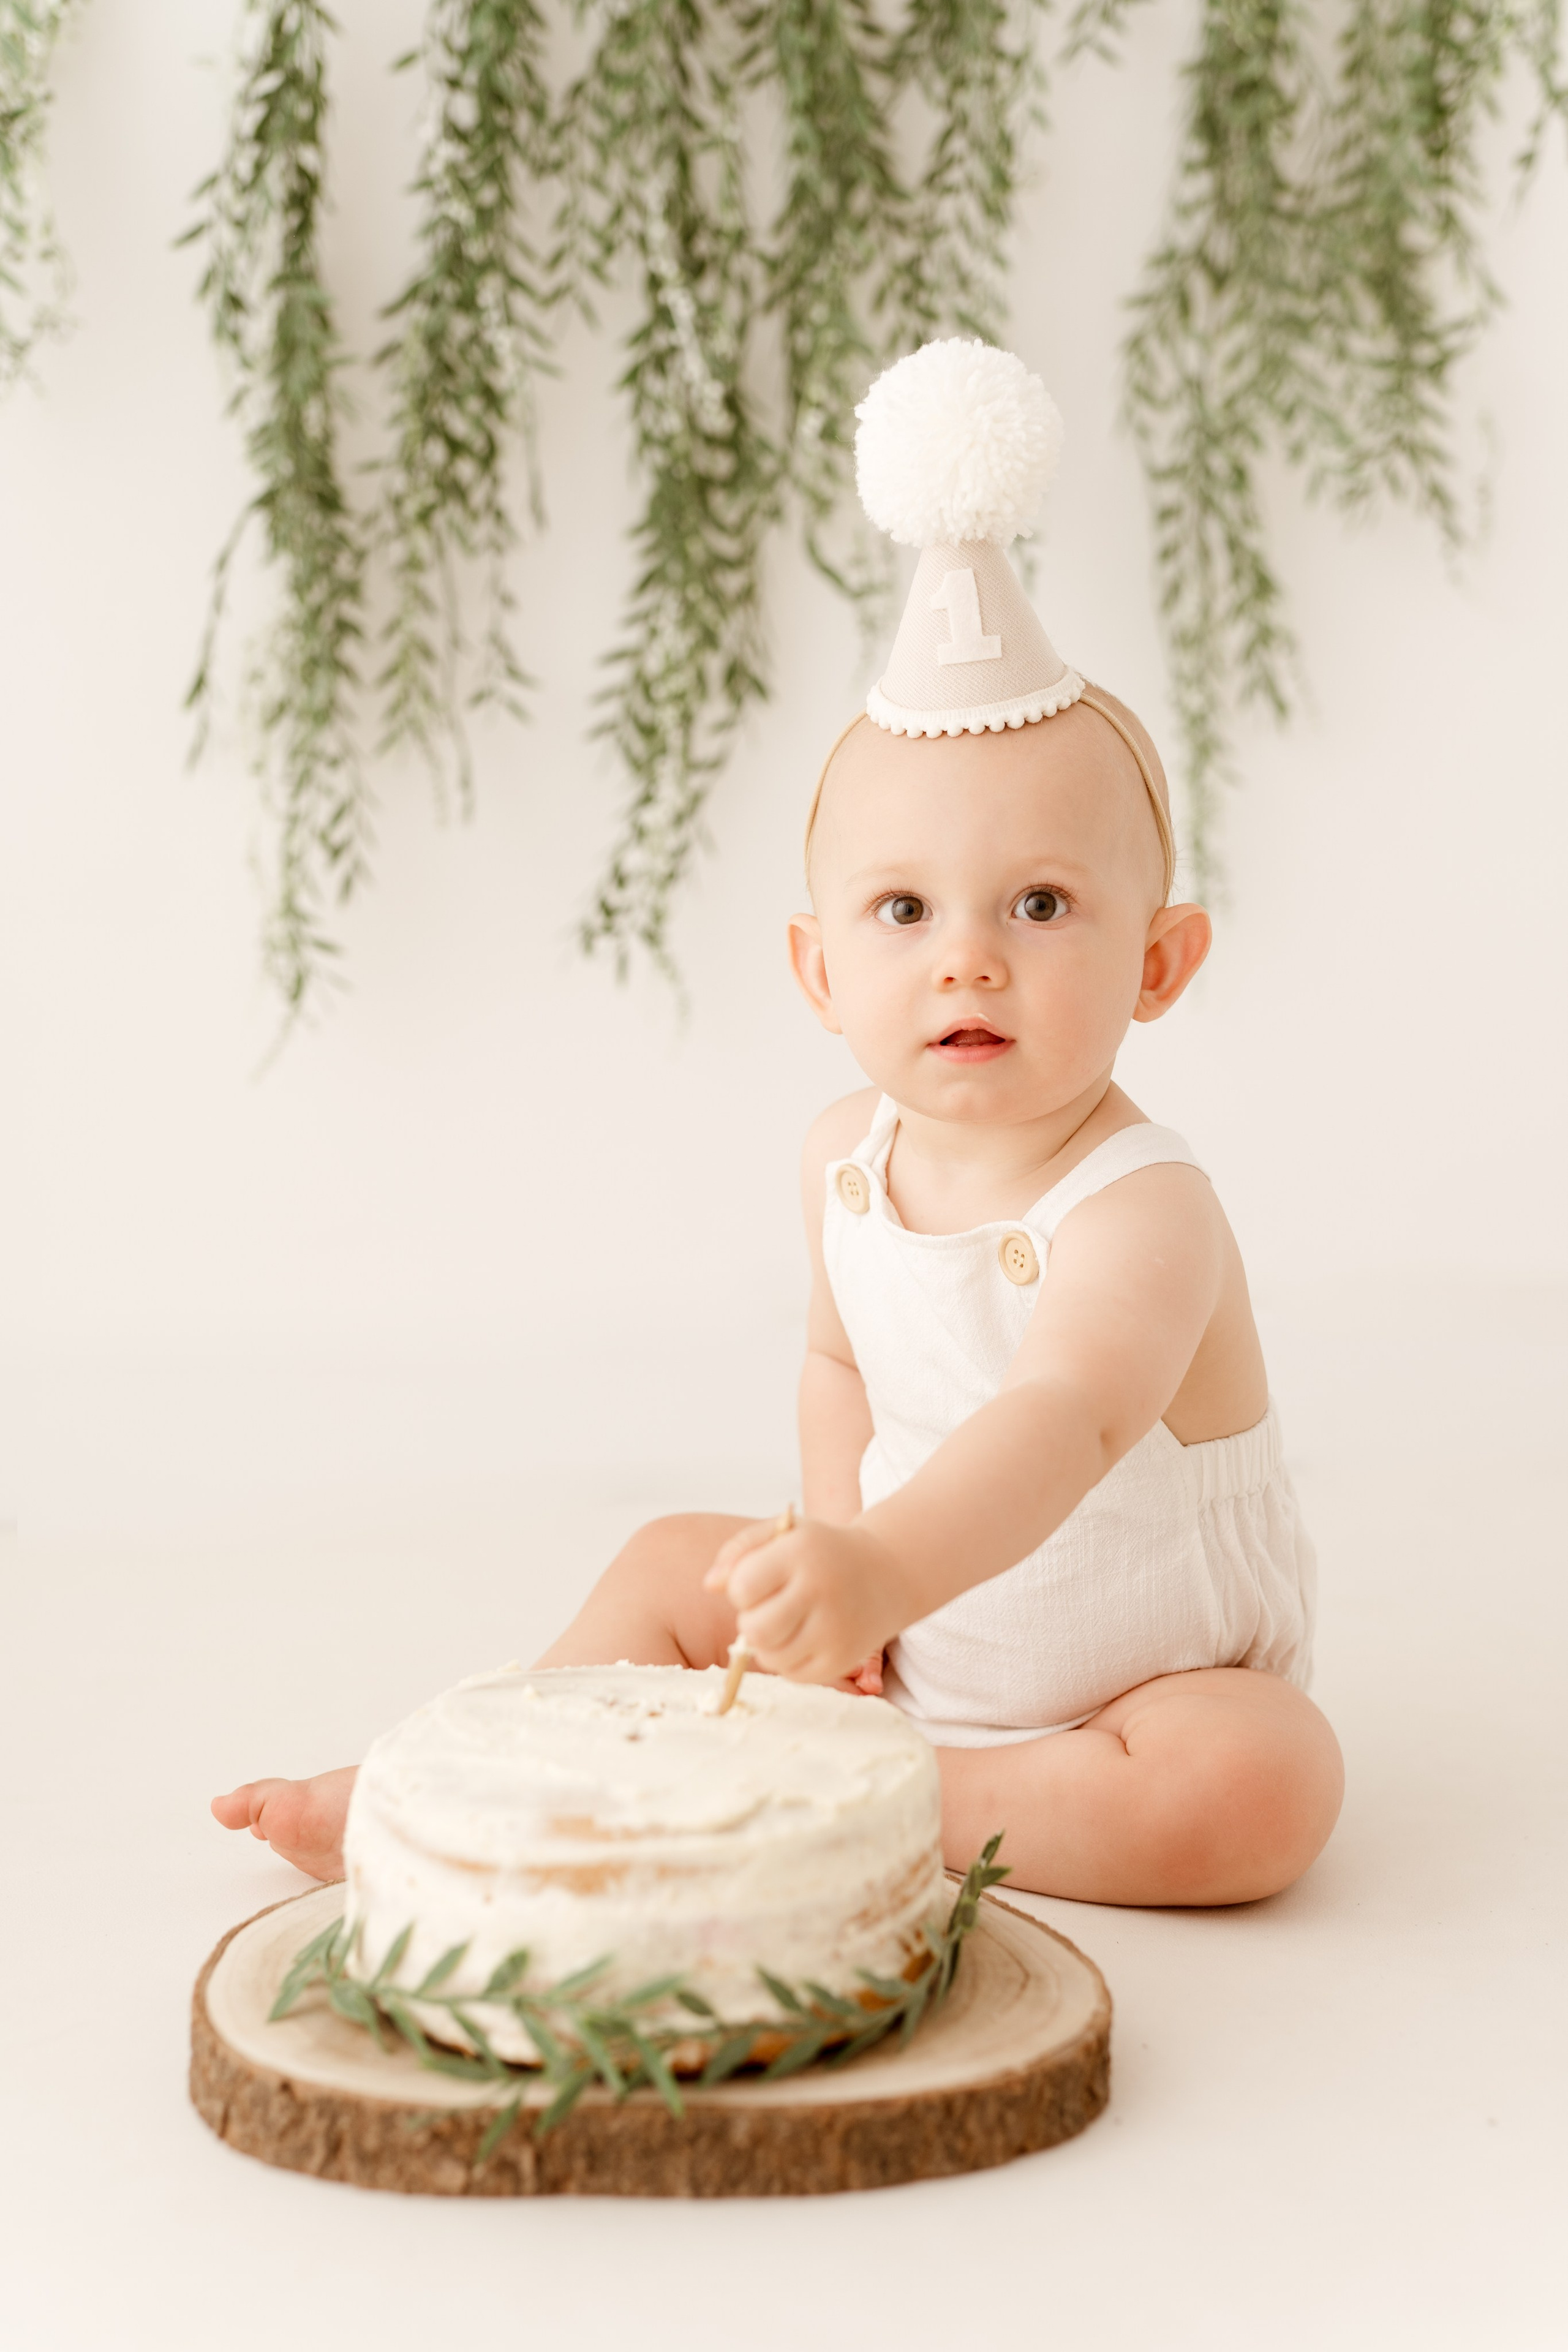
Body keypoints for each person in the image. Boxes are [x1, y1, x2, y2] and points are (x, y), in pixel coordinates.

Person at [214, 342, 1342, 1907]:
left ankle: (869, 1799)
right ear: (819, 970)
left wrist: (882, 1565)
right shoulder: (840, 1160)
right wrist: (836, 1566)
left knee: (1263, 1783)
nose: (966, 954)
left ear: (1158, 963)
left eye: (1040, 903)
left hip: (1118, 1697)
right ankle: (449, 1789)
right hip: (899, 1629)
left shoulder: (1142, 1209)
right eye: (901, 909)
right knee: (681, 1560)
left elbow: (1064, 1422)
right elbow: (837, 1367)